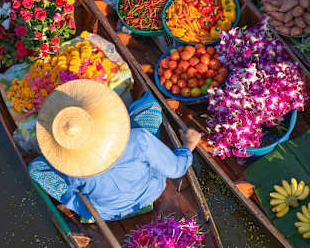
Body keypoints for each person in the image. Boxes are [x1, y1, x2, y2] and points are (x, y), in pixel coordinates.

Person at [28, 79, 201, 222]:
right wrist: (189, 145)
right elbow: (176, 169)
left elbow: (68, 185)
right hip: (151, 191)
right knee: (150, 106)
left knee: (36, 168)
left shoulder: (65, 162)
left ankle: (79, 207)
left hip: (101, 212)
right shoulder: (138, 139)